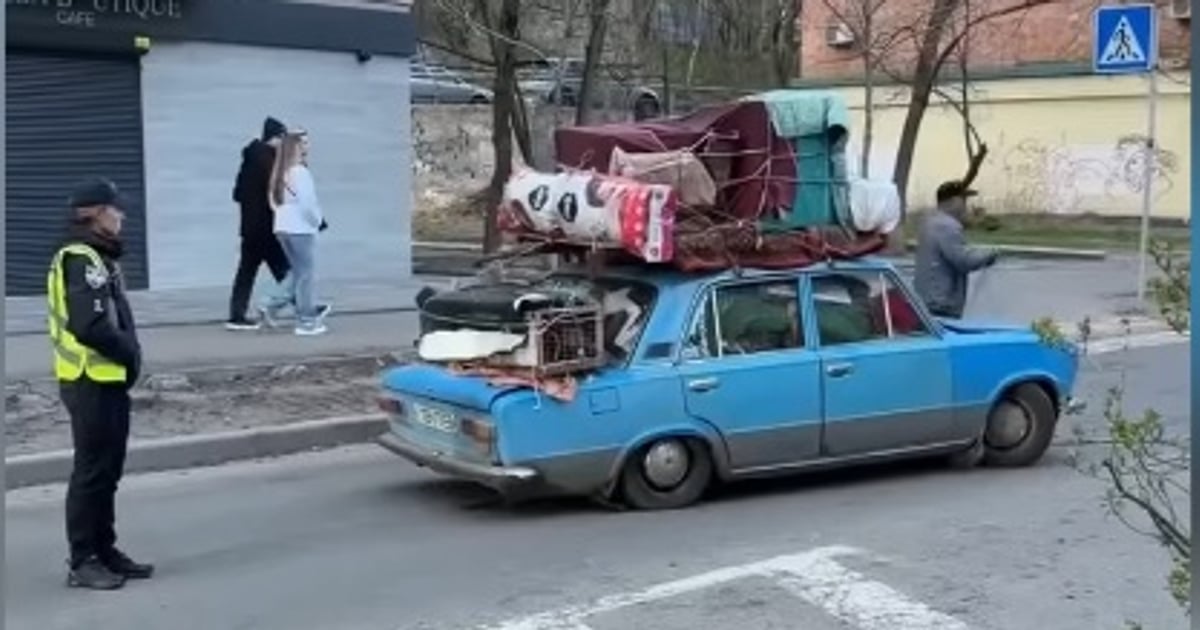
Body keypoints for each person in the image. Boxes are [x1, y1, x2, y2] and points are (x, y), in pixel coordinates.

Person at [49, 177, 153, 590]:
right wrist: (129, 351)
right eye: (115, 209)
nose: (121, 215)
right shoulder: (81, 259)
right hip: (89, 380)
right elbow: (90, 325)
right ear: (94, 214)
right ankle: (83, 559)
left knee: (107, 471)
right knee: (91, 473)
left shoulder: (98, 256)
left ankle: (105, 550)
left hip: (106, 380)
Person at [226, 116, 293, 330]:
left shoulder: (249, 160)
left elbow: (236, 194)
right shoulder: (272, 161)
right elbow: (280, 194)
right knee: (287, 272)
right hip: (268, 228)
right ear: (278, 137)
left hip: (250, 228)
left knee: (246, 273)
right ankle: (304, 310)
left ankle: (236, 316)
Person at [264, 129, 331, 335]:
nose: (307, 147)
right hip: (301, 228)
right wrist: (317, 221)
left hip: (283, 227)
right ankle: (306, 320)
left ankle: (272, 305)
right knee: (306, 275)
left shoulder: (280, 173)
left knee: (298, 272)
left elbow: (273, 201)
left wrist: (284, 216)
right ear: (296, 148)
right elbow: (308, 203)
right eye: (303, 144)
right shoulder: (300, 172)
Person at [913, 180, 999, 319]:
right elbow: (963, 260)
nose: (965, 205)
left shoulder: (931, 222)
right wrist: (991, 254)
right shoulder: (946, 226)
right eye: (963, 200)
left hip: (928, 300)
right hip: (941, 304)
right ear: (953, 201)